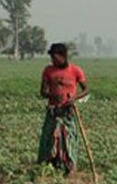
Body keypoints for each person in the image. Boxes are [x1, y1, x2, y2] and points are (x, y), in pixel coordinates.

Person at [38, 42, 89, 175]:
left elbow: (86, 90)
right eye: (51, 58)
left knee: (69, 138)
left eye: (55, 57)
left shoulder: (75, 71)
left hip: (68, 111)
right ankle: (48, 164)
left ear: (63, 56)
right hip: (53, 110)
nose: (52, 60)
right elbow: (42, 91)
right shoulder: (48, 71)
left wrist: (74, 98)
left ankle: (69, 166)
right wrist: (52, 95)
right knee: (50, 138)